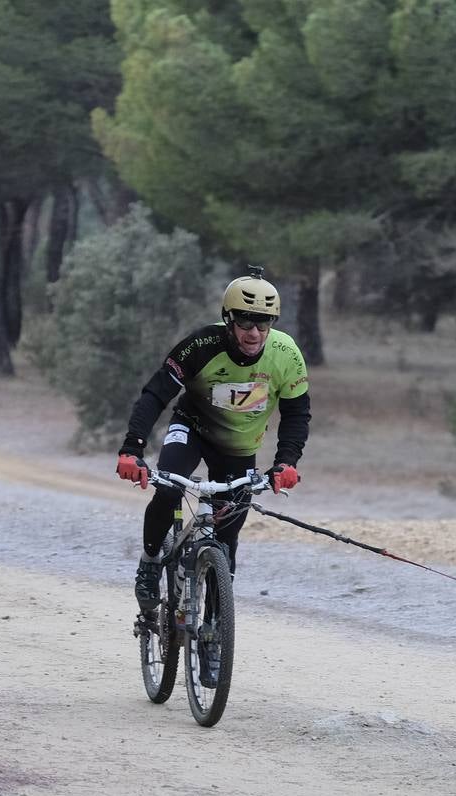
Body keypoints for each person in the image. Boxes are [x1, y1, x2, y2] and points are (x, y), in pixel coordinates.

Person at [115, 266, 311, 630]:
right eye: (245, 322)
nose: (254, 333)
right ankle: (150, 560)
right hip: (191, 429)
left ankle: (214, 628)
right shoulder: (201, 345)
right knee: (170, 490)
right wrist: (132, 449)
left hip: (238, 449)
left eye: (263, 323)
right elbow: (156, 393)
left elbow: (297, 413)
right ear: (229, 320)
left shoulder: (286, 355)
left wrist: (286, 462)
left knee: (227, 538)